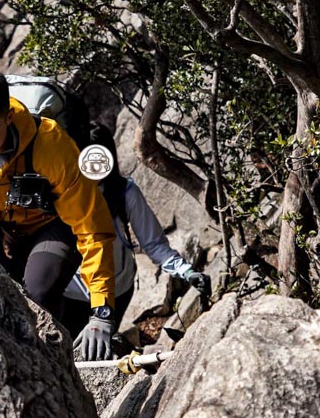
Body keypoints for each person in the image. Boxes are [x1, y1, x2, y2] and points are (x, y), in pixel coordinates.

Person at [0, 68, 118, 361]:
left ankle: (55, 361)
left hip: (52, 225)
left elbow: (91, 226)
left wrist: (102, 311)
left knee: (37, 294)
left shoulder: (51, 146)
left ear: (8, 117)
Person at [63, 124, 211, 323]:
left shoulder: (125, 193)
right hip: (70, 292)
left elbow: (154, 244)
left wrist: (187, 272)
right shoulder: (61, 192)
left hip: (116, 292)